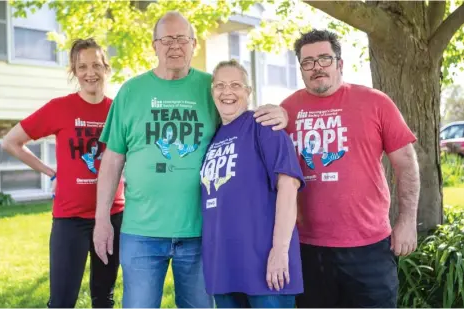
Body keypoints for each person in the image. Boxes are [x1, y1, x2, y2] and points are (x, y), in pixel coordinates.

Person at [93, 11, 289, 308]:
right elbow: (112, 159)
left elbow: (239, 111)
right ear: (154, 45)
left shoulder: (211, 87)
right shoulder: (131, 91)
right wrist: (102, 218)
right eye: (167, 39)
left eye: (182, 39)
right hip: (141, 231)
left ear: (194, 44)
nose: (175, 46)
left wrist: (281, 113)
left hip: (201, 232)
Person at [281, 29, 420, 308]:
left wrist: (406, 221)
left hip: (369, 249)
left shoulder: (375, 102)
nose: (316, 67)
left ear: (340, 63)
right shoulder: (288, 109)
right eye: (308, 62)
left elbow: (406, 164)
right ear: (301, 68)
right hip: (309, 249)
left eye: (324, 58)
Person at [1, 38, 125, 308]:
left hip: (113, 216)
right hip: (71, 219)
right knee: (61, 301)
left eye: (95, 65)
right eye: (82, 67)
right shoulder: (59, 108)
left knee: (104, 299)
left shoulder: (118, 110)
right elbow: (10, 142)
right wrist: (51, 173)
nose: (89, 72)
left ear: (106, 68)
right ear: (74, 71)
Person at [200, 59, 305, 308]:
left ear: (248, 92)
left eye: (236, 85)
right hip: (223, 268)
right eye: (220, 85)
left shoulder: (264, 126)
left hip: (266, 269)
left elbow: (289, 188)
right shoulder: (212, 137)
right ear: (212, 91)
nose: (227, 92)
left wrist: (280, 252)